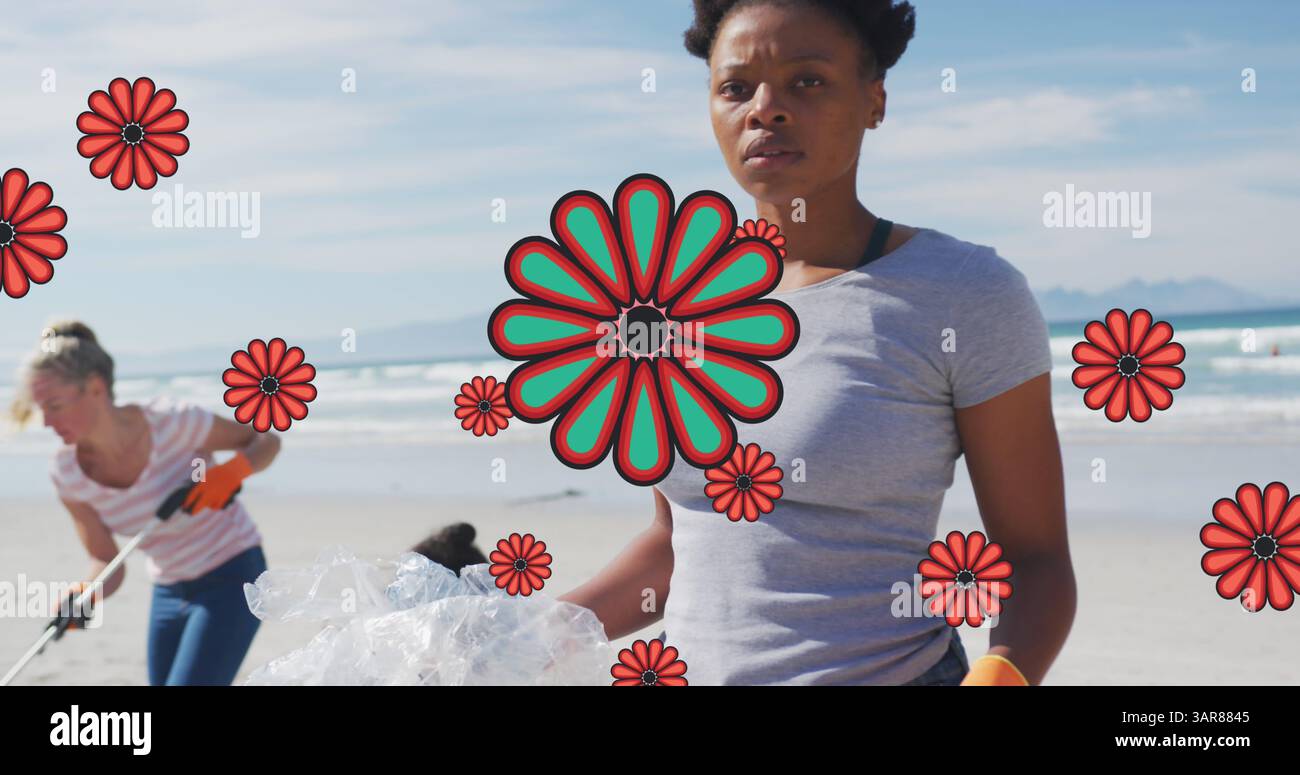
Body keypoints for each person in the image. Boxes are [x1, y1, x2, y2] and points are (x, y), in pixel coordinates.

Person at [559, 0, 1075, 685]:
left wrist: (998, 678)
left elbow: (1036, 557)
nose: (764, 109)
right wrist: (535, 631)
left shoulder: (964, 291)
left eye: (807, 81)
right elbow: (675, 544)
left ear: (874, 100)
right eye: (736, 87)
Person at [10, 321, 281, 686]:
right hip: (169, 590)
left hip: (233, 574)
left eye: (55, 406)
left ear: (95, 387)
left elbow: (264, 440)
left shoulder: (173, 422)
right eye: (41, 408)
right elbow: (107, 561)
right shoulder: (66, 473)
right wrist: (84, 594)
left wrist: (232, 472)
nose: (46, 422)